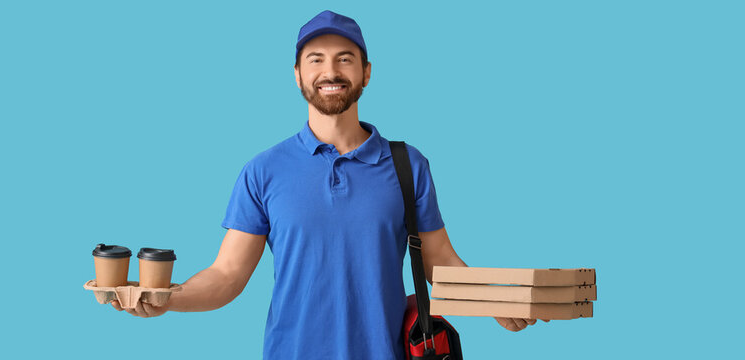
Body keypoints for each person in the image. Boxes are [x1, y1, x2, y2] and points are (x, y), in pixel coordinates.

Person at [110, 9, 546, 359]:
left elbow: (440, 262)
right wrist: (170, 298)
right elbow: (227, 274)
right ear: (297, 74)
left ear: (366, 73)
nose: (330, 70)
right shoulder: (263, 171)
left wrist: (493, 303)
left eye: (344, 58)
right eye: (315, 59)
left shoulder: (408, 164)